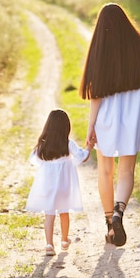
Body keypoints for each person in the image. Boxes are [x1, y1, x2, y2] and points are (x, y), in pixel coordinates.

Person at [79, 3, 140, 247]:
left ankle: (109, 226)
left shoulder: (99, 54)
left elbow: (96, 96)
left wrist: (90, 127)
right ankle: (119, 212)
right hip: (133, 119)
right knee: (127, 172)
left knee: (105, 171)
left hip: (106, 119)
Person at [25, 109, 94, 256]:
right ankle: (64, 240)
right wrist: (89, 147)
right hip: (64, 186)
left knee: (49, 214)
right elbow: (82, 157)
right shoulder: (69, 144)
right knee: (64, 212)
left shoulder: (42, 146)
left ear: (47, 126)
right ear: (66, 127)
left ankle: (49, 244)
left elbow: (33, 160)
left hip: (47, 186)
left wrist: (48, 165)